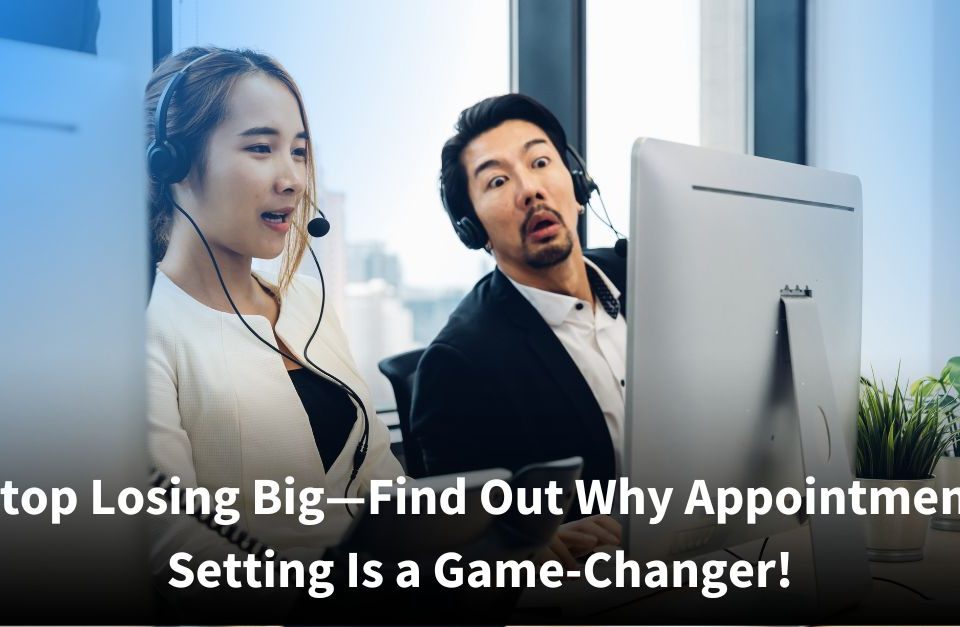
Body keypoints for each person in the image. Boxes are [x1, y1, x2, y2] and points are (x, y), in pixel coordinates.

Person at [144, 49, 615, 597]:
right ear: (171, 163)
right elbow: (178, 554)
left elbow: (381, 487)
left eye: (299, 152)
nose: (293, 178)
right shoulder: (143, 337)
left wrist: (500, 546)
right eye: (260, 148)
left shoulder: (303, 301)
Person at [411, 94, 628, 515]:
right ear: (474, 230)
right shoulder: (457, 366)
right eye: (497, 181)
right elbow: (461, 545)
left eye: (541, 163)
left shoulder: (650, 274)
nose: (530, 190)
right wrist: (535, 546)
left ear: (579, 185)